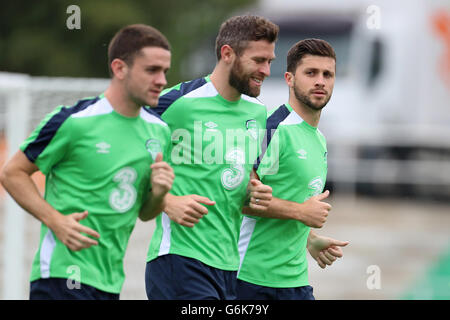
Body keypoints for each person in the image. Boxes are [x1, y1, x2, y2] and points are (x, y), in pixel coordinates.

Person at [0, 24, 174, 300]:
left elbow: (145, 212)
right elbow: (12, 173)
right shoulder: (73, 121)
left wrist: (160, 193)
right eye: (152, 70)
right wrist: (55, 221)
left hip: (109, 281)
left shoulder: (159, 131)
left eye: (165, 71)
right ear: (119, 68)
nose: (162, 80)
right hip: (61, 276)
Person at [145, 15, 277, 300]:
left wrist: (254, 191)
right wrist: (167, 201)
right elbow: (123, 151)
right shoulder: (178, 103)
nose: (266, 70)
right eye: (258, 60)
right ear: (227, 54)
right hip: (179, 260)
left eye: (270, 62)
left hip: (229, 266)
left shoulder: (258, 113)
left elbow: (242, 180)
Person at [236, 39, 349, 300]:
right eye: (311, 73)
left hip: (295, 282)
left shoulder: (318, 138)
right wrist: (301, 212)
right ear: (289, 78)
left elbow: (287, 198)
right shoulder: (274, 130)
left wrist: (309, 238)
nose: (320, 81)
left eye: (327, 74)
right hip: (251, 281)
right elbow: (239, 198)